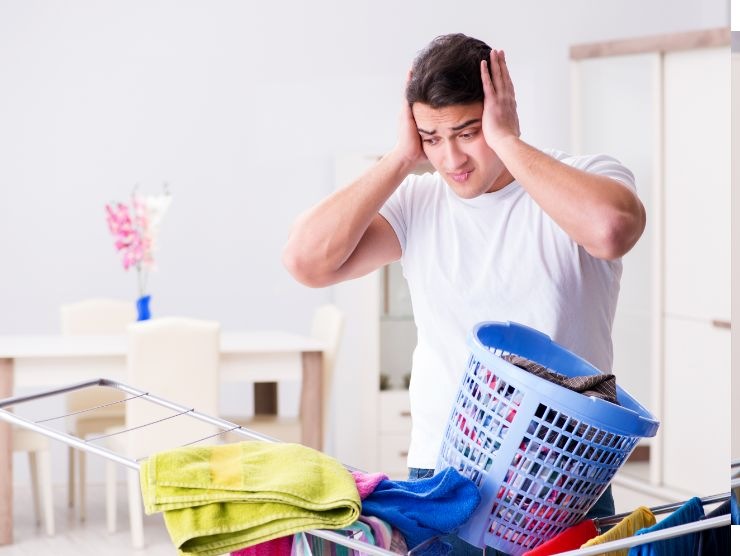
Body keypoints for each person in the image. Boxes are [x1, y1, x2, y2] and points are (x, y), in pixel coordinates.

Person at [282, 33, 645, 555]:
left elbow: (612, 230)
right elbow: (306, 261)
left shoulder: (587, 176)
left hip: (566, 474)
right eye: (431, 137)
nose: (451, 158)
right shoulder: (418, 201)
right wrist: (403, 156)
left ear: (500, 110)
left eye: (467, 132)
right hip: (444, 473)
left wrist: (508, 142)